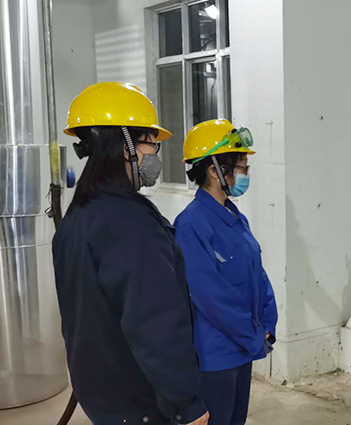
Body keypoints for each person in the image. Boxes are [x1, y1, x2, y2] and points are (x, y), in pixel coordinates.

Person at [52, 82, 209, 425]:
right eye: (151, 143)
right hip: (139, 402)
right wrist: (187, 404)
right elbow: (156, 326)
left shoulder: (79, 217)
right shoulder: (131, 225)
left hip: (102, 394)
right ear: (126, 147)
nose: (155, 156)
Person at [174, 119, 278, 425]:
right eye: (241, 166)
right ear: (214, 170)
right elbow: (211, 296)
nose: (245, 173)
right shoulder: (191, 224)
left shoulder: (235, 217)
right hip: (217, 356)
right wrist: (253, 334)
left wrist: (268, 323)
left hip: (245, 347)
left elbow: (258, 276)